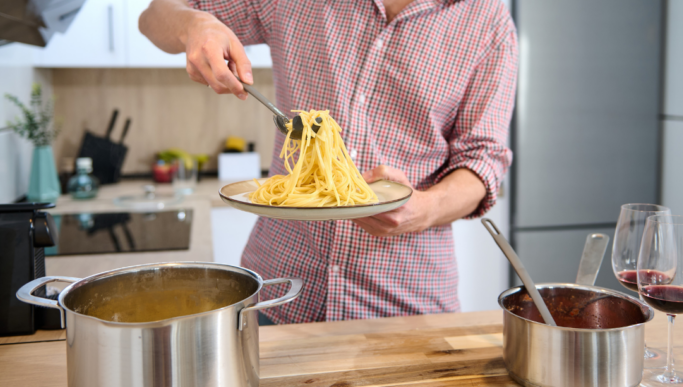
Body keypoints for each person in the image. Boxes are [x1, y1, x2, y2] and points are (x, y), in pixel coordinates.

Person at [140, 0, 517, 324]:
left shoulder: (487, 19)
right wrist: (194, 24)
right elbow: (153, 17)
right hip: (280, 292)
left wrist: (427, 208)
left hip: (406, 303)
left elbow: (483, 159)